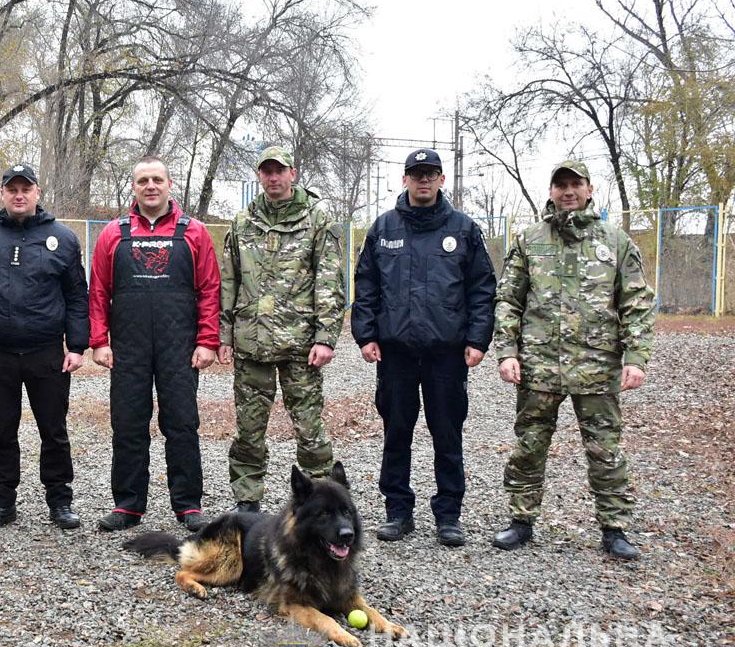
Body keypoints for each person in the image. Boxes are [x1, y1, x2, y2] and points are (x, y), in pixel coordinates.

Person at [492, 160, 655, 560]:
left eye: (575, 184)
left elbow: (636, 302)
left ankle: (614, 528)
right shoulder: (530, 240)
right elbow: (508, 300)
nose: (568, 191)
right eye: (560, 185)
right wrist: (507, 352)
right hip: (539, 366)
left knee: (605, 450)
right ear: (550, 191)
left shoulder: (614, 241)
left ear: (590, 189)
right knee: (529, 445)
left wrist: (635, 357)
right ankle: (521, 520)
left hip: (596, 368)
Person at [351, 148, 497, 547]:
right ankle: (398, 512)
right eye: (417, 174)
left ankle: (448, 515)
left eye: (431, 173)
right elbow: (366, 286)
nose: (424, 180)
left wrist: (477, 339)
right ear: (405, 180)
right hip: (396, 353)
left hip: (446, 354)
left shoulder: (463, 229)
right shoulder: (383, 229)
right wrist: (365, 335)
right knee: (397, 433)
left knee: (447, 434)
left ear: (442, 179)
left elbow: (482, 289)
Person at [89, 156, 221, 532]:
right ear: (133, 187)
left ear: (169, 184)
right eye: (143, 180)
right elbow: (97, 291)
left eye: (157, 180)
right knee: (128, 424)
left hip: (178, 345)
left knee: (181, 424)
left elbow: (210, 289)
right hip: (128, 347)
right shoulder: (113, 234)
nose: (150, 186)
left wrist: (208, 340)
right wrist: (99, 341)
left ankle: (188, 505)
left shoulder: (194, 232)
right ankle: (128, 505)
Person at [0, 163, 89, 530]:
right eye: (12, 189)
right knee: (1, 430)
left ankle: (60, 501)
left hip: (46, 351)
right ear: (2, 194)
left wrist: (77, 345)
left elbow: (77, 295)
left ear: (37, 193)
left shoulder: (62, 238)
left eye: (25, 189)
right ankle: (2, 502)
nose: (19, 195)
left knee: (54, 429)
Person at [217, 146, 345, 513]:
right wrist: (225, 335)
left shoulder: (317, 218)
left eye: (279, 170)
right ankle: (247, 498)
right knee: (249, 428)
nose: (273, 178)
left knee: (308, 427)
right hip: (251, 342)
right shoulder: (244, 221)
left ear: (293, 172)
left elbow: (329, 280)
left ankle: (324, 498)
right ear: (259, 175)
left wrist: (325, 336)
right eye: (266, 171)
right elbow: (230, 280)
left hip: (300, 344)